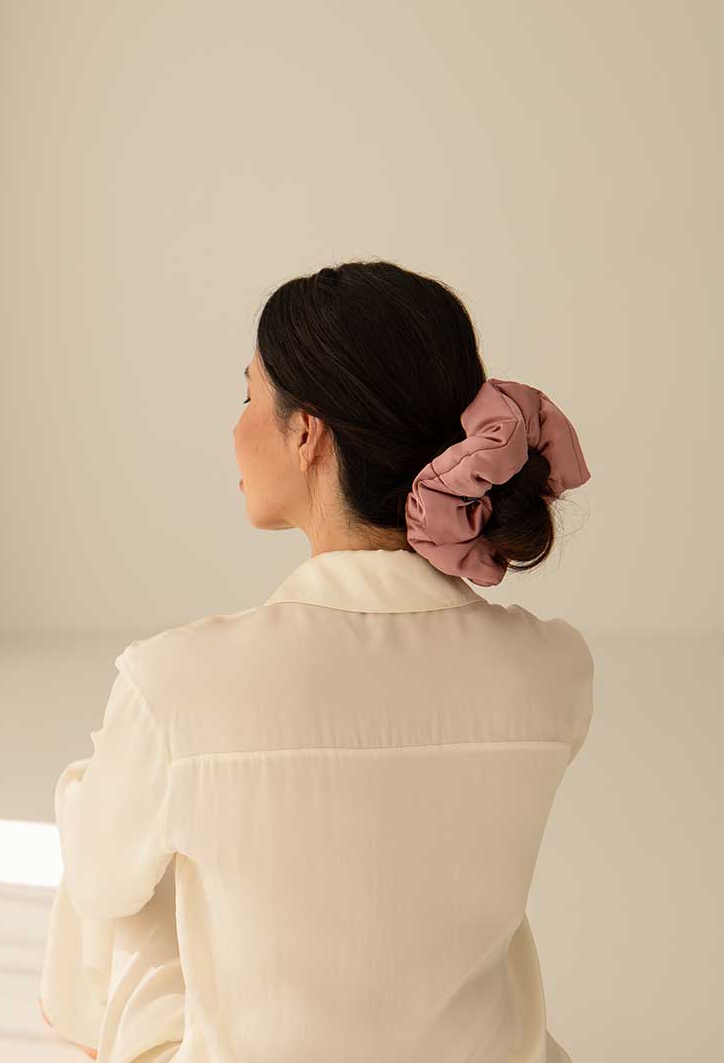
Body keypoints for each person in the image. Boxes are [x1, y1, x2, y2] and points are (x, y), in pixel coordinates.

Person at [38, 260, 593, 1062]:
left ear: (308, 432)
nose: (235, 428)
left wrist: (90, 786)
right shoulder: (555, 668)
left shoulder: (178, 682)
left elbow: (98, 886)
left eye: (248, 397)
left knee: (115, 839)